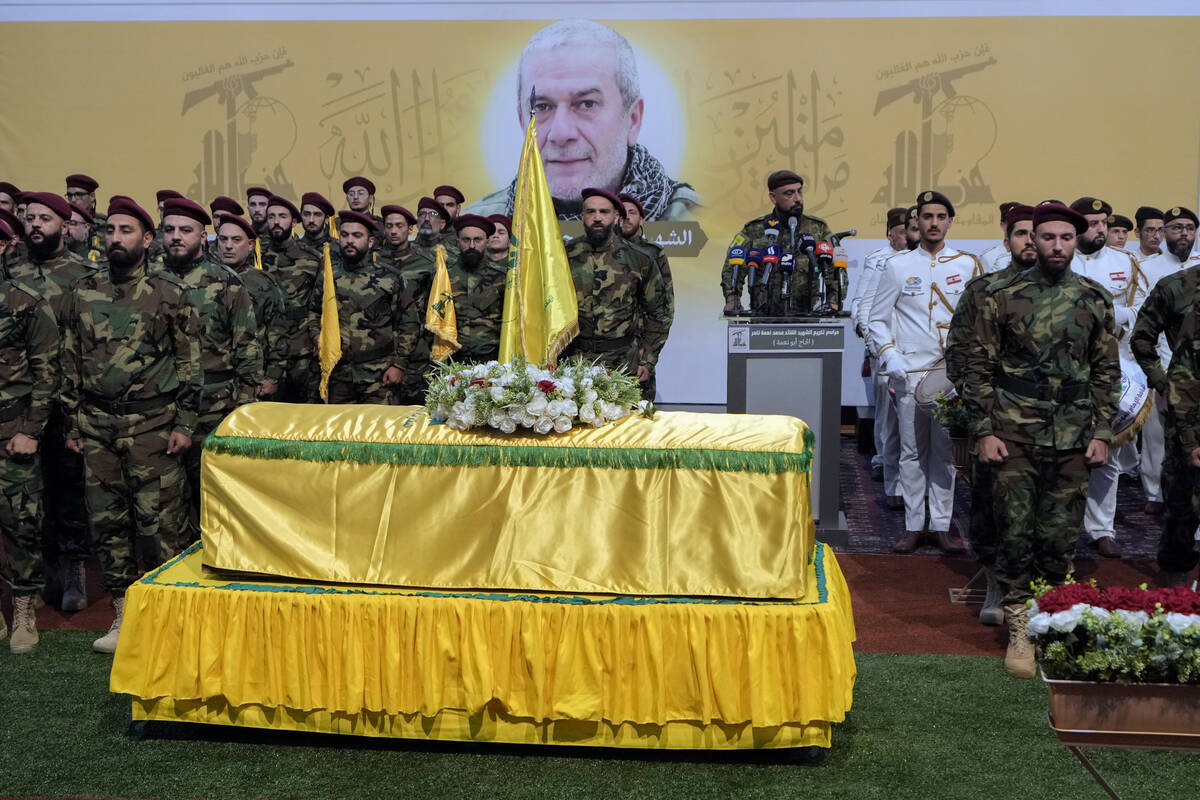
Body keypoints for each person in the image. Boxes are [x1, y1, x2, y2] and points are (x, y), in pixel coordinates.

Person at [962, 202, 1119, 677]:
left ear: (1076, 242)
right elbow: (978, 367)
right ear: (1035, 241)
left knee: (1059, 536)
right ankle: (1019, 631)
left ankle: (1051, 625)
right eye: (1046, 237)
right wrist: (984, 430)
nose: (1054, 246)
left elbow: (1105, 371)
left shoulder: (1094, 298)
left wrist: (1104, 431)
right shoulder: (1003, 295)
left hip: (1073, 433)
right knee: (1013, 531)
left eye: (1064, 238)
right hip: (1013, 430)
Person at [60, 197, 203, 654]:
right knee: (109, 526)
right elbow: (69, 360)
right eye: (111, 230)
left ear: (147, 239)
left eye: (127, 231)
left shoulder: (168, 291)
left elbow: (189, 363)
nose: (115, 238)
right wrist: (73, 422)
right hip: (97, 425)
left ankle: (173, 621)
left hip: (154, 426)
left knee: (161, 527)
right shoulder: (83, 290)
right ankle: (124, 619)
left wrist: (184, 421)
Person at [467, 19, 699, 222]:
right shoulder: (473, 229)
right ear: (522, 121)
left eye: (587, 104)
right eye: (542, 107)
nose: (561, 133)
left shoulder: (697, 221)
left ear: (633, 119)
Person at [868, 190, 980, 554]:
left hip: (951, 375)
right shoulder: (897, 266)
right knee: (912, 451)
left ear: (949, 221)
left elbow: (980, 319)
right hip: (910, 373)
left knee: (946, 451)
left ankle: (943, 525)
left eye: (940, 216)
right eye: (926, 217)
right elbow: (877, 319)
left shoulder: (968, 265)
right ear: (916, 221)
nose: (933, 223)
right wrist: (890, 356)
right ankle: (914, 524)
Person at [945, 204, 1037, 625]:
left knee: (1050, 510)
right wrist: (978, 407)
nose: (1031, 241)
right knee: (992, 507)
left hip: (1056, 424)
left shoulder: (1076, 292)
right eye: (1022, 234)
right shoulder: (983, 291)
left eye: (1039, 233)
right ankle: (997, 584)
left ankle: (1041, 589)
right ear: (1007, 242)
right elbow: (958, 353)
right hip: (997, 420)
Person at [11, 193, 98, 612]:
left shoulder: (84, 275)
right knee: (29, 492)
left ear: (65, 224)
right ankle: (40, 571)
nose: (35, 225)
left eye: (45, 218)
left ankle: (74, 569)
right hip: (19, 402)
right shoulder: (12, 271)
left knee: (69, 488)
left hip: (67, 400)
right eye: (29, 218)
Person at [159, 198, 261, 530]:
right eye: (169, 229)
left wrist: (244, 409)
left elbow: (247, 346)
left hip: (214, 402)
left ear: (204, 236)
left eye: (186, 230)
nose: (176, 236)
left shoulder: (227, 282)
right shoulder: (149, 280)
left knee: (213, 492)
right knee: (163, 500)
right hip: (158, 405)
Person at [0, 216, 60, 654]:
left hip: (12, 433)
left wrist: (31, 430)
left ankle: (23, 609)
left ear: (4, 247)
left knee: (22, 524)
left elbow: (46, 374)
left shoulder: (25, 302)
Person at [1068, 196, 1138, 559]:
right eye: (1091, 222)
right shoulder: (1062, 260)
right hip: (1068, 370)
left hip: (1113, 368)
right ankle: (1065, 524)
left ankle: (1101, 528)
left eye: (1103, 223)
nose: (1099, 229)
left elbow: (1142, 306)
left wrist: (1117, 315)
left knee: (1107, 452)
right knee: (1067, 452)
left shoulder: (1125, 262)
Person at [1130, 207, 1200, 517]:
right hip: (1165, 362)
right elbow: (1143, 327)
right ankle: (1155, 494)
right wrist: (1159, 378)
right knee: (1157, 434)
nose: (1183, 233)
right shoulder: (1148, 267)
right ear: (1163, 233)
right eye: (1175, 228)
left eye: (1189, 227)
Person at [309, 210, 420, 404]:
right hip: (339, 373)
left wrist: (399, 365)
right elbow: (313, 311)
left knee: (379, 432)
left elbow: (408, 323)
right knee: (341, 432)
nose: (349, 240)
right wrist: (316, 335)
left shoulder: (390, 277)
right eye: (344, 235)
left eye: (357, 235)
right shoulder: (329, 276)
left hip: (380, 375)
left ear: (370, 242)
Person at [561, 188, 671, 383]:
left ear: (616, 217)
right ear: (581, 216)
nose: (597, 217)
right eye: (590, 212)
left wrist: (647, 360)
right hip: (572, 362)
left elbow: (659, 313)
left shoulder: (639, 259)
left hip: (623, 362)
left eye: (604, 212)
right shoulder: (563, 256)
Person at [851, 207, 909, 506]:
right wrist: (877, 348)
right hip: (885, 351)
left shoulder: (926, 261)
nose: (909, 235)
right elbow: (863, 302)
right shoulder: (879, 260)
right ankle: (888, 470)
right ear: (891, 236)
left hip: (918, 353)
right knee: (887, 417)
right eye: (903, 231)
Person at [720, 170, 837, 316]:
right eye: (789, 193)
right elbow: (732, 269)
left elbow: (835, 270)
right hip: (763, 319)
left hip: (807, 319)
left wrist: (833, 301)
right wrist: (733, 300)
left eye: (800, 192)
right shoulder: (754, 229)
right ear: (773, 198)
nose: (798, 199)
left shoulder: (817, 228)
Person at [215, 215, 287, 400]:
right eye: (223, 239)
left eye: (236, 240)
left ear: (250, 245)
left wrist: (272, 376)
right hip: (212, 381)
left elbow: (277, 331)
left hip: (252, 381)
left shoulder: (264, 283)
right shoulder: (203, 280)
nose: (228, 246)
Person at [260, 195, 320, 403]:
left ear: (294, 222)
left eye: (282, 216)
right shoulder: (257, 256)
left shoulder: (311, 258)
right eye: (272, 217)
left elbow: (320, 304)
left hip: (302, 349)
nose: (276, 222)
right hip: (266, 352)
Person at [617, 193, 674, 401]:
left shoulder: (652, 253)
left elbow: (664, 307)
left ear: (642, 219)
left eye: (632, 212)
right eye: (622, 212)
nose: (626, 217)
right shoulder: (599, 253)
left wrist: (649, 355)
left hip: (638, 346)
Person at [379, 205, 435, 403]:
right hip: (379, 348)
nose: (394, 231)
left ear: (410, 229)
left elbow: (435, 308)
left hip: (416, 353)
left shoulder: (427, 264)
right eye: (389, 226)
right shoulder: (374, 260)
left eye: (399, 226)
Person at [1162, 295, 1200, 586]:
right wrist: (1189, 439)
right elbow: (1182, 377)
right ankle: (1177, 581)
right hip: (1195, 423)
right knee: (1184, 505)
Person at [443, 215, 509, 363]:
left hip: (491, 359)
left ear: (487, 242)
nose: (472, 246)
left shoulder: (502, 277)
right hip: (451, 359)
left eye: (477, 240)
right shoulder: (443, 275)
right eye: (466, 240)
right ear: (458, 242)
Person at [64, 174, 106, 253]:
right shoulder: (62, 221)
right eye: (69, 195)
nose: (72, 200)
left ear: (92, 196)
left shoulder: (105, 223)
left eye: (78, 195)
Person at [977, 201, 1020, 274]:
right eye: (1011, 222)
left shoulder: (1033, 253)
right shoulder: (989, 256)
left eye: (1018, 221)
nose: (1015, 226)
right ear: (1002, 225)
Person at [298, 191, 338, 259]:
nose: (311, 220)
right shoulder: (293, 247)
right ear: (301, 215)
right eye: (306, 214)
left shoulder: (339, 249)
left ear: (326, 219)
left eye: (317, 215)